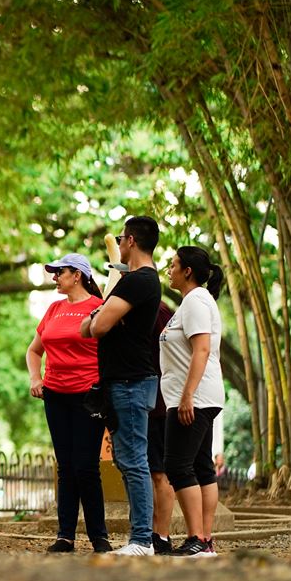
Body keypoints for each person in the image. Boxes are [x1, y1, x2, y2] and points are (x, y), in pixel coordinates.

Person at [80, 216, 162, 556]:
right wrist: (99, 317)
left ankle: (142, 539)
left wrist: (99, 315)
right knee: (129, 461)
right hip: (125, 380)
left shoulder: (137, 281)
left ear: (129, 240)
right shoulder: (139, 282)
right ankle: (139, 537)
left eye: (120, 238)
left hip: (130, 381)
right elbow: (91, 325)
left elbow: (96, 327)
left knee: (134, 461)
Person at [26, 253, 112, 554]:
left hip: (88, 397)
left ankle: (99, 537)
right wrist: (36, 379)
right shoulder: (53, 309)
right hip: (55, 395)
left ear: (77, 275)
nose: (54, 277)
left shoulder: (99, 308)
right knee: (65, 467)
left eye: (58, 272)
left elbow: (111, 351)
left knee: (86, 466)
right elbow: (34, 351)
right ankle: (65, 536)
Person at [160, 246, 226, 557]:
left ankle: (196, 538)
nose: (169, 270)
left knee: (177, 464)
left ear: (187, 271)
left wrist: (187, 395)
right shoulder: (191, 302)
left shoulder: (196, 300)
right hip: (196, 395)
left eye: (173, 265)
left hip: (194, 397)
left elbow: (201, 349)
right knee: (200, 465)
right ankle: (204, 541)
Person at [147, 301, 176, 555]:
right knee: (143, 473)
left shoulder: (159, 311)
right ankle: (148, 534)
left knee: (160, 473)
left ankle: (162, 535)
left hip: (159, 404)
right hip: (142, 404)